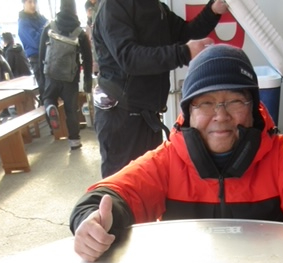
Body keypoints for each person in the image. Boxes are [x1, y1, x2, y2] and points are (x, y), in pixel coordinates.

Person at [70, 45, 283, 263]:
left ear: (253, 109)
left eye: (235, 101)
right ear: (188, 112)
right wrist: (92, 223)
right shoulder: (168, 160)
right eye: (206, 103)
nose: (220, 115)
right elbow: (110, 196)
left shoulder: (279, 156)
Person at [92, 0, 229, 178]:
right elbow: (129, 58)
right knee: (122, 184)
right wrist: (184, 53)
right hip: (121, 116)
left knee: (149, 180)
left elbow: (187, 32)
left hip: (148, 114)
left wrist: (213, 10)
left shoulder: (157, 7)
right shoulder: (114, 5)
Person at [39, 0, 93, 150]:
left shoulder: (49, 27)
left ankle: (51, 107)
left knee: (48, 98)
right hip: (70, 78)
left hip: (51, 74)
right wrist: (87, 82)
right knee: (71, 109)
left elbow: (41, 54)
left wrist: (42, 78)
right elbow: (87, 59)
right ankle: (74, 141)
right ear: (74, 10)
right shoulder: (79, 33)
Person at [18, 0, 48, 100]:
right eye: (30, 2)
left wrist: (45, 29)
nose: (33, 5)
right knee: (46, 92)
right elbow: (37, 41)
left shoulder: (40, 17)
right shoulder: (23, 23)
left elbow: (52, 30)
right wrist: (45, 29)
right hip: (37, 60)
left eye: (35, 2)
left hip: (49, 57)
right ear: (23, 3)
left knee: (54, 90)